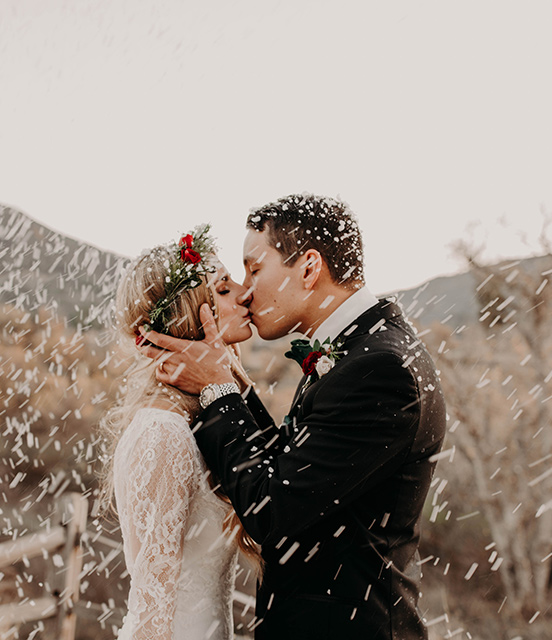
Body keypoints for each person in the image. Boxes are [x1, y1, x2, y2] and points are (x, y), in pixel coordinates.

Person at [142, 194, 447, 640]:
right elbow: (293, 466)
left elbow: (271, 509)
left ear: (308, 267)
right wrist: (235, 385)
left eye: (255, 269)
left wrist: (216, 390)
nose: (245, 290)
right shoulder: (363, 350)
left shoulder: (378, 369)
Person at [99, 224, 268, 640]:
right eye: (224, 290)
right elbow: (152, 610)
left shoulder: (199, 424)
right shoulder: (163, 433)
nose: (244, 295)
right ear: (193, 315)